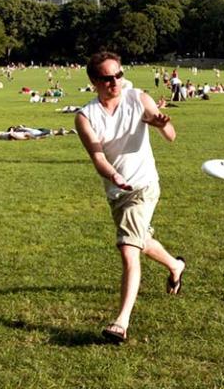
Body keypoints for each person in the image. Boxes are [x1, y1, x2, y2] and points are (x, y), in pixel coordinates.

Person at [75, 51, 183, 344]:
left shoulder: (138, 99)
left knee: (128, 248)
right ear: (94, 81)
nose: (115, 82)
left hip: (145, 185)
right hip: (117, 190)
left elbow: (171, 136)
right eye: (108, 78)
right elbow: (98, 157)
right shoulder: (85, 116)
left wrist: (162, 125)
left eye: (118, 75)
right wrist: (114, 176)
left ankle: (121, 322)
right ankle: (175, 265)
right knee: (139, 239)